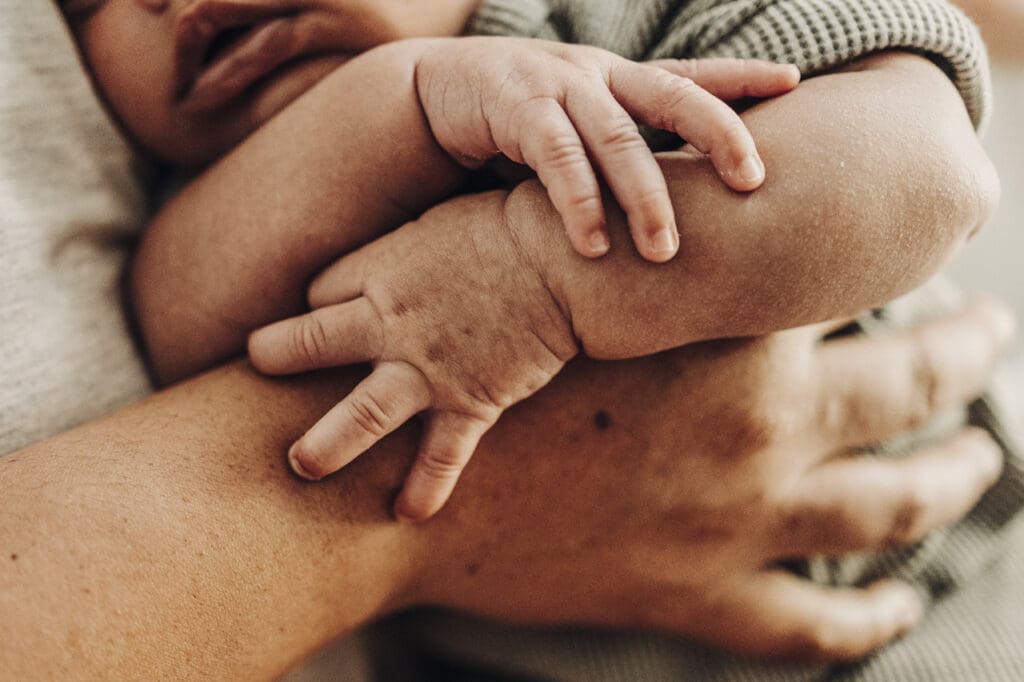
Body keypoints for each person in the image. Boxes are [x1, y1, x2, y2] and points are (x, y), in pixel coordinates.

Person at [0, 2, 1018, 681]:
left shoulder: (618, 19)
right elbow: (177, 340)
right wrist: (390, 109)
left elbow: (928, 171)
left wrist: (532, 273)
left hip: (916, 597)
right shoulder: (203, 192)